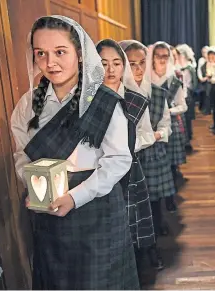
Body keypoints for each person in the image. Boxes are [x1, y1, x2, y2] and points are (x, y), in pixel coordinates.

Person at [11, 15, 139, 289]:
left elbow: (118, 160)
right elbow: (21, 155)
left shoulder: (103, 102)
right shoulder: (28, 104)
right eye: (40, 54)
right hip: (48, 211)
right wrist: (32, 185)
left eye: (60, 52)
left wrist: (75, 196)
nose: (50, 62)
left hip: (97, 208)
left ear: (80, 54)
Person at [97, 39, 165, 273]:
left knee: (137, 216)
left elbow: (146, 134)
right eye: (104, 63)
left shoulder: (134, 97)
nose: (111, 70)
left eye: (116, 63)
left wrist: (123, 145)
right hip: (98, 170)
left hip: (130, 165)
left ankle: (145, 254)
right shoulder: (89, 98)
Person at [119, 40, 175, 242]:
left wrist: (156, 135)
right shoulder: (117, 96)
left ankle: (158, 228)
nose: (138, 68)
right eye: (132, 63)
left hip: (152, 155)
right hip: (127, 158)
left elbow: (166, 125)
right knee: (135, 205)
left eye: (142, 62)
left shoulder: (158, 93)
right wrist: (151, 137)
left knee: (155, 198)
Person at [151, 41, 188, 211]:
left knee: (171, 166)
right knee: (158, 166)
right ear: (152, 58)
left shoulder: (174, 79)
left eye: (165, 56)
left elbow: (183, 106)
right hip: (151, 127)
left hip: (170, 125)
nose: (162, 59)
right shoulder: (146, 78)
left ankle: (171, 199)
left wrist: (168, 111)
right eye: (158, 56)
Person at [177, 44, 198, 150]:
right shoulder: (177, 67)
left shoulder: (189, 68)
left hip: (188, 95)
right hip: (179, 94)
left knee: (188, 118)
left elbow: (193, 84)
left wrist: (188, 92)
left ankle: (188, 139)